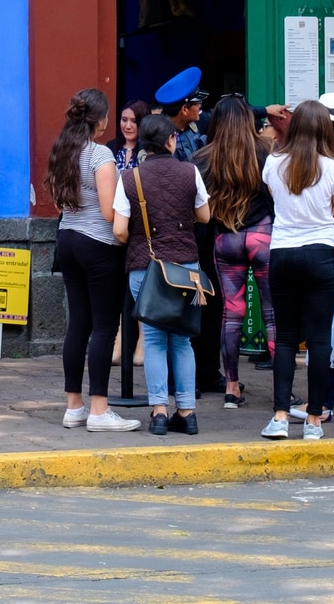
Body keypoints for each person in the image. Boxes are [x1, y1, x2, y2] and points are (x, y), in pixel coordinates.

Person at [113, 112, 212, 434]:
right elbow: (205, 216)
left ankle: (158, 412)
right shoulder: (190, 171)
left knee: (154, 340)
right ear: (171, 140)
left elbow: (119, 231)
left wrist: (141, 238)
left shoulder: (130, 178)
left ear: (144, 143)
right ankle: (187, 412)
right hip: (185, 267)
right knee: (182, 341)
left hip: (145, 266)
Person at [49, 88, 140, 432]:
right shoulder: (101, 155)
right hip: (98, 245)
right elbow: (107, 211)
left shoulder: (63, 150)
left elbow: (61, 203)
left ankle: (74, 406)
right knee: (104, 326)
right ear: (99, 119)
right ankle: (100, 410)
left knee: (79, 324)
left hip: (68, 239)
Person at [260, 99, 334, 441]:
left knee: (285, 338)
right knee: (318, 339)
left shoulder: (273, 164)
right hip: (320, 254)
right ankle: (314, 419)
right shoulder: (333, 168)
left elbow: (275, 199)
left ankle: (280, 416)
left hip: (282, 252)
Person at [203, 95, 274, 410]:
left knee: (231, 316)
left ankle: (231, 386)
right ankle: (282, 390)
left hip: (226, 239)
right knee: (272, 313)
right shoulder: (265, 153)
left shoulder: (203, 158)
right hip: (262, 236)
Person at [113, 100, 146, 171]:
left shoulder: (148, 150)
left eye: (134, 121)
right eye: (124, 120)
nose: (128, 126)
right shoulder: (111, 146)